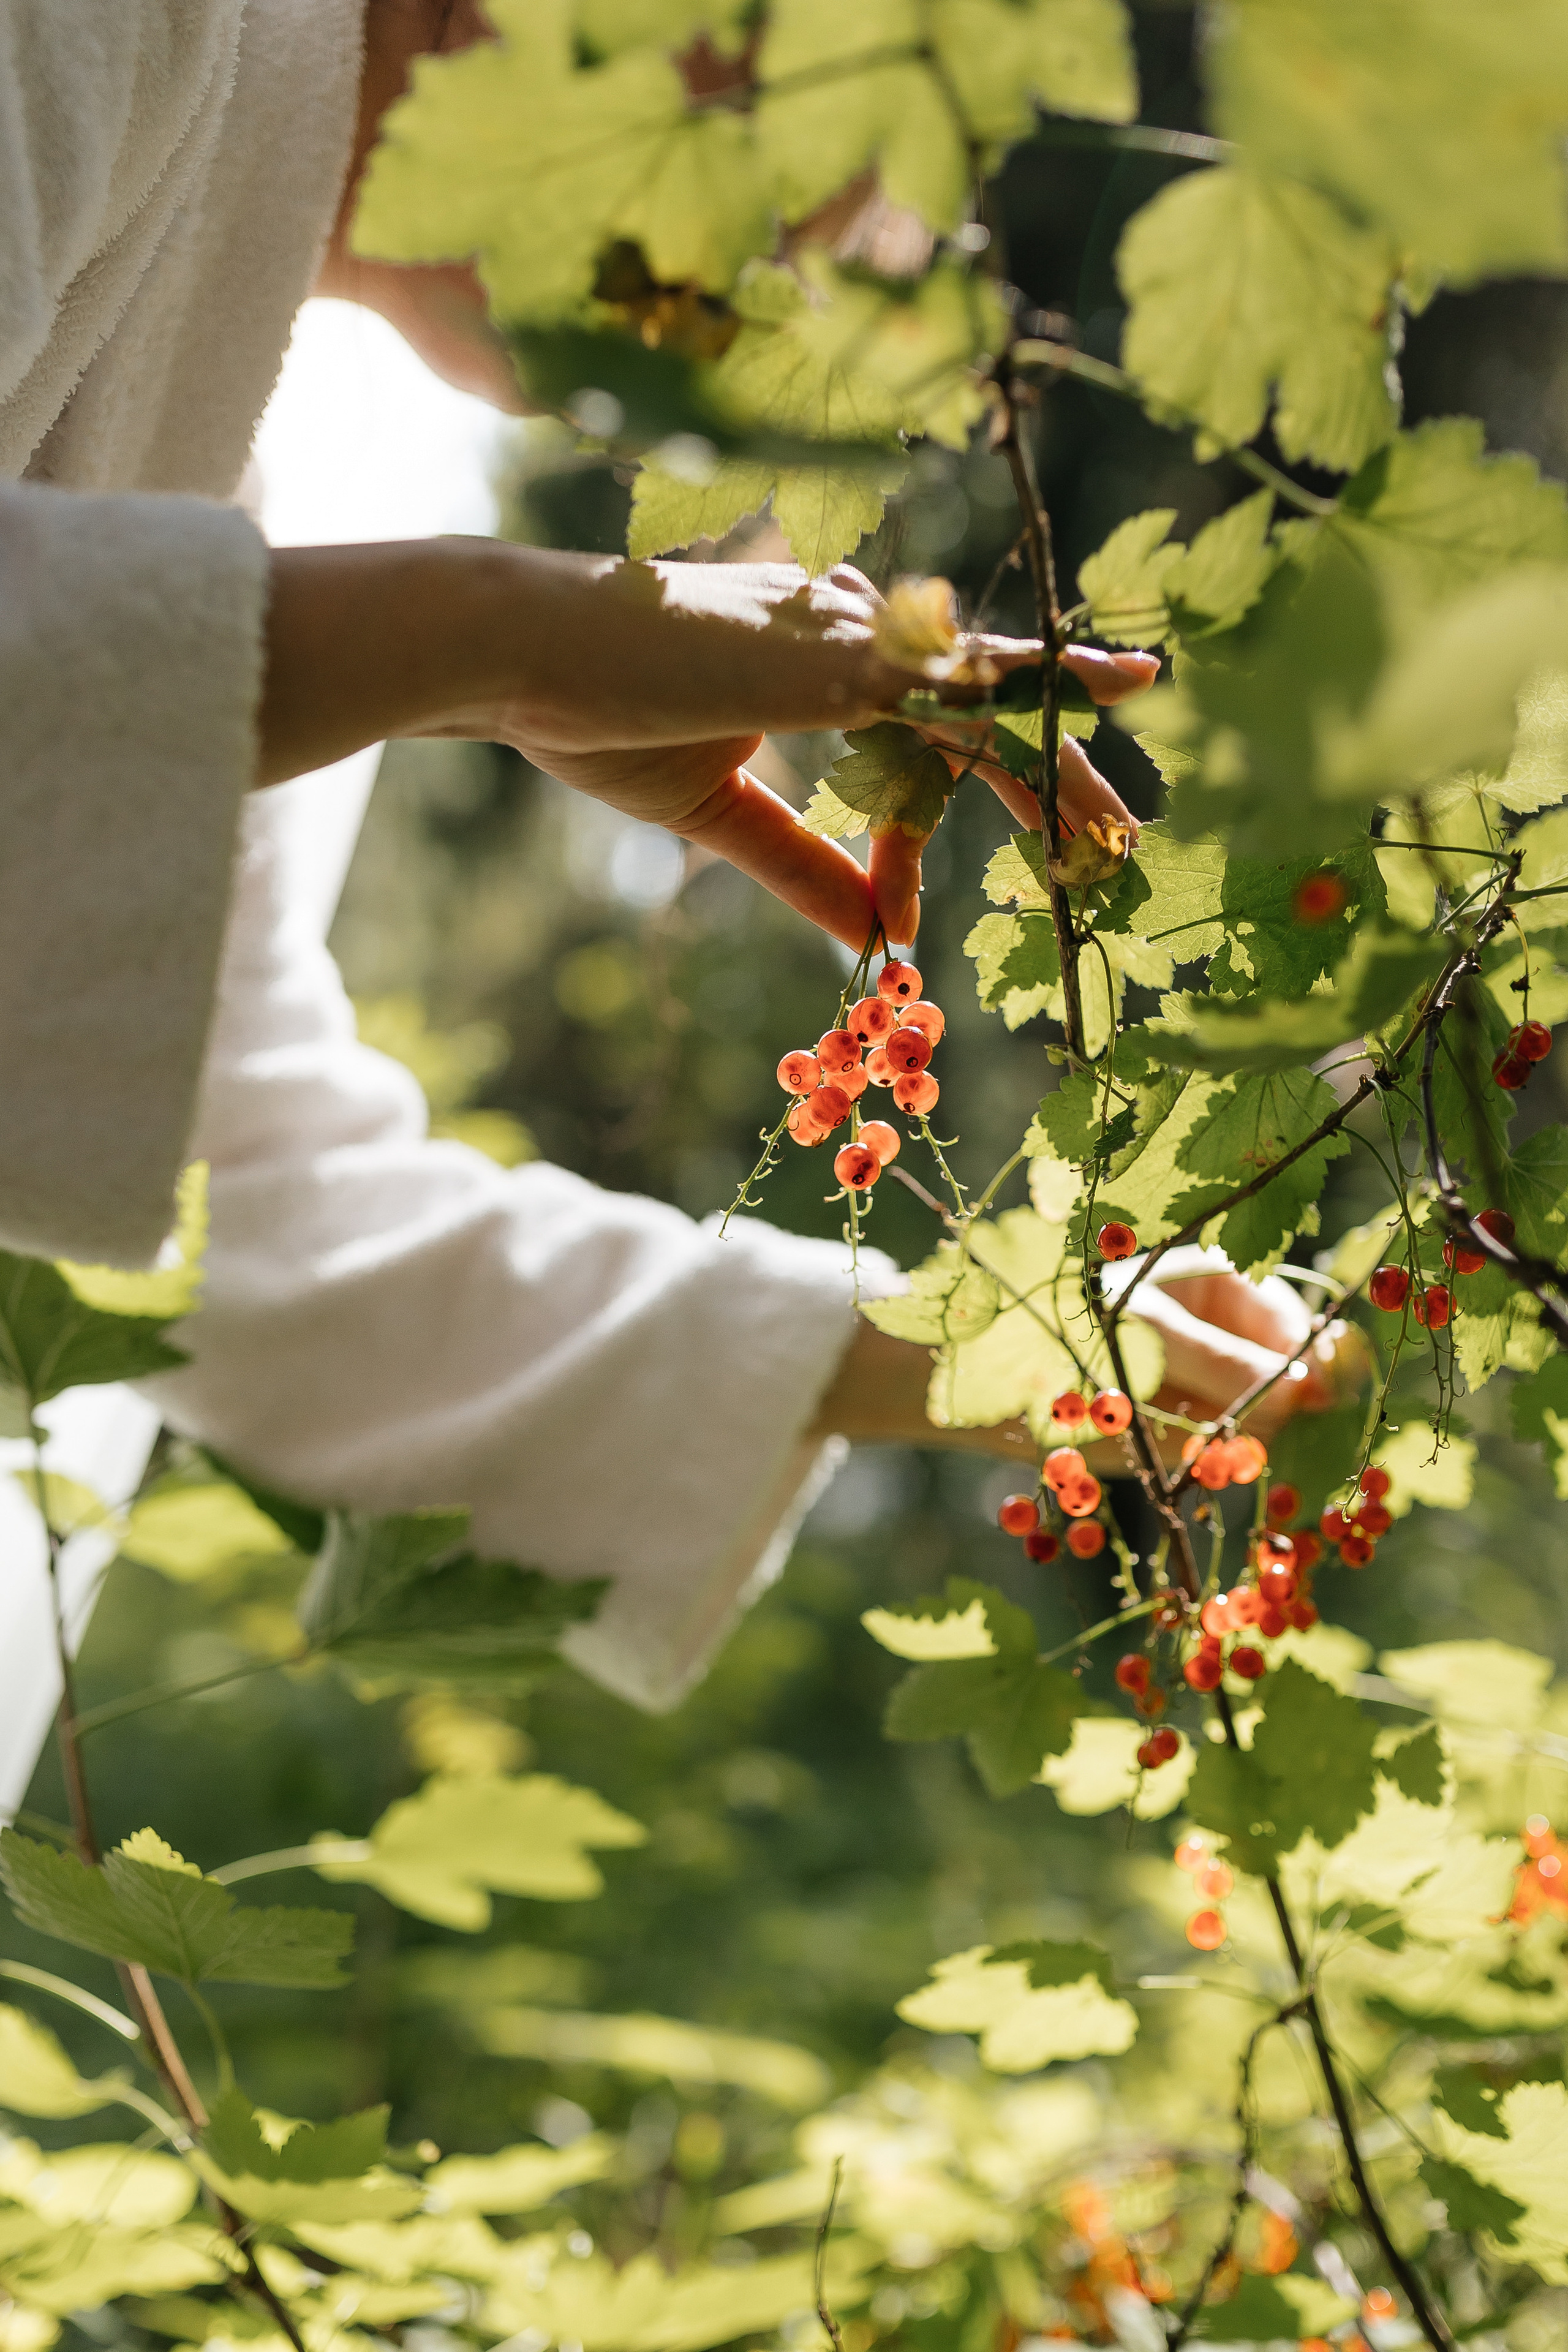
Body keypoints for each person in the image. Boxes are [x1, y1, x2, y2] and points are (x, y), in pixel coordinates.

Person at [0, 0, 1348, 1714]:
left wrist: (970, 1338)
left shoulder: (222, 479)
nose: (889, 255)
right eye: (885, 120)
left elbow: (229, 1191)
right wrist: (474, 642)